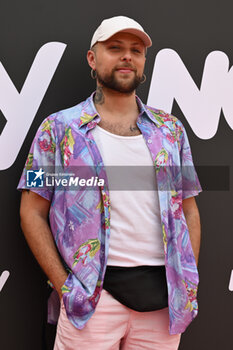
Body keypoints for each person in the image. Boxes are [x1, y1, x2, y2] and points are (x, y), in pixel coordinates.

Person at [18, 15, 202, 350]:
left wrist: (186, 282)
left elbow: (189, 208)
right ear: (92, 57)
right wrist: (65, 287)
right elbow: (31, 210)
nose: (127, 56)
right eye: (115, 48)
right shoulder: (57, 130)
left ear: (144, 61)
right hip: (92, 303)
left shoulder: (171, 131)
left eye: (136, 50)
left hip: (163, 304)